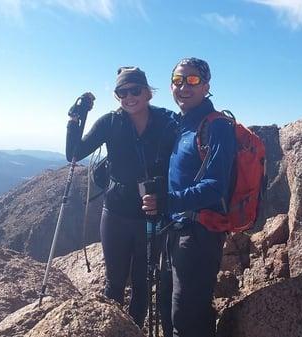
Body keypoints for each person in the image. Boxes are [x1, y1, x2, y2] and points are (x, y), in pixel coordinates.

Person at [66, 67, 177, 327]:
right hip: (115, 213)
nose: (128, 97)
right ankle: (111, 330)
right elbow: (74, 152)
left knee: (142, 282)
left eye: (134, 90)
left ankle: (135, 329)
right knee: (114, 282)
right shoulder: (110, 122)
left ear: (147, 91)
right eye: (121, 92)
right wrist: (75, 118)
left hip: (151, 213)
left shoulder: (168, 120)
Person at [142, 57, 237, 337]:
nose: (184, 86)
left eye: (192, 80)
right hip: (176, 230)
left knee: (185, 316)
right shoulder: (181, 124)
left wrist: (166, 202)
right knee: (172, 312)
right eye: (177, 80)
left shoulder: (217, 127)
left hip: (199, 234)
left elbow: (215, 186)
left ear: (206, 86)